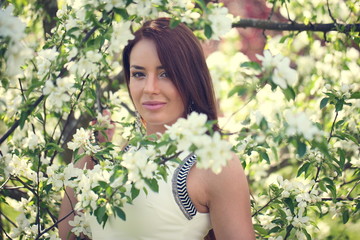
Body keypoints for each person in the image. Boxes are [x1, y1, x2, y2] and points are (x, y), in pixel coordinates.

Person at [58, 18, 255, 240]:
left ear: (190, 78)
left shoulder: (215, 164)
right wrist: (88, 155)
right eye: (139, 74)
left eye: (165, 74)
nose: (150, 88)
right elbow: (69, 235)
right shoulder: (128, 154)